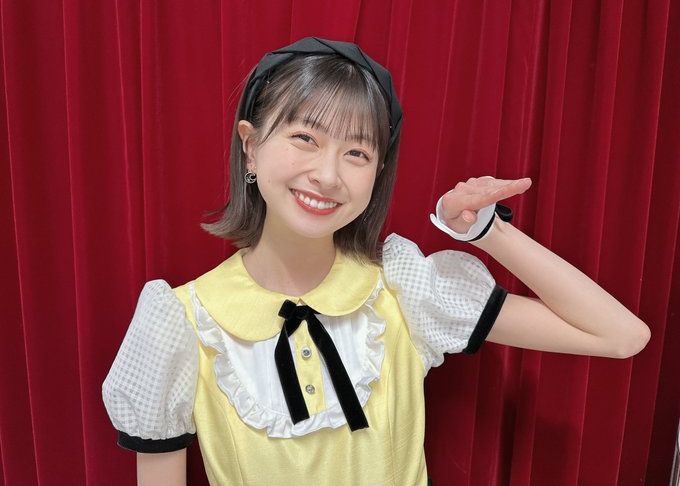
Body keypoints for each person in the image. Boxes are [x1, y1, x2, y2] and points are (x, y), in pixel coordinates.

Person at [102, 37, 650, 486]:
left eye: (357, 153)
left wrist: (487, 232)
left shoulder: (403, 291)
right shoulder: (184, 320)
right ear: (250, 146)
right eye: (304, 137)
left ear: (378, 171)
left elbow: (621, 335)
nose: (328, 175)